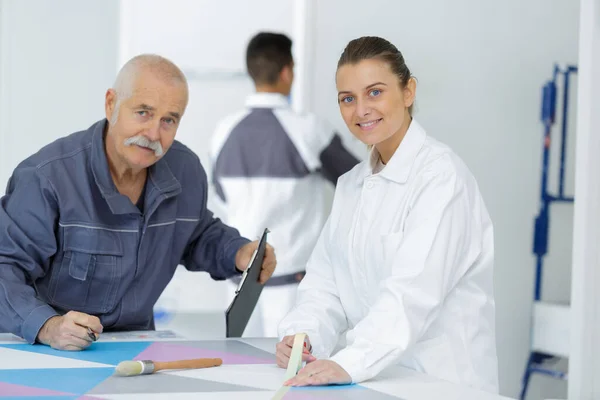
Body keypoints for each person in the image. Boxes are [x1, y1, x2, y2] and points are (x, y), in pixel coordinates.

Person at [0, 54, 276, 350]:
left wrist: (239, 252)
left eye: (169, 120)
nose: (153, 134)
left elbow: (196, 234)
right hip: (48, 351)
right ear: (111, 104)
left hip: (136, 349)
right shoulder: (46, 178)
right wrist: (47, 326)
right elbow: (5, 268)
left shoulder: (185, 170)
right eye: (143, 113)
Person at [275, 36, 498, 393]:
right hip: (377, 380)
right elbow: (325, 284)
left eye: (375, 92)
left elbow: (411, 295)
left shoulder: (442, 178)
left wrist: (348, 361)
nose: (361, 109)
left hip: (443, 383)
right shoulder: (352, 185)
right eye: (348, 99)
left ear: (408, 91)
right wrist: (305, 335)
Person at [210, 32, 359, 337]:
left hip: (239, 288)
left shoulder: (223, 131)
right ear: (287, 71)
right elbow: (358, 181)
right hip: (295, 288)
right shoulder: (309, 130)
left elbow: (220, 194)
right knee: (292, 376)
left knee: (243, 374)